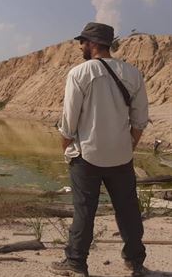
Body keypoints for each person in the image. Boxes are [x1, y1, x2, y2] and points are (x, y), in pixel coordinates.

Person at [51, 22, 149, 277]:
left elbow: (68, 124)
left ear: (93, 43)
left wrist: (66, 149)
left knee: (84, 210)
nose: (81, 46)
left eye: (82, 41)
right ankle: (135, 262)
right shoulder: (133, 73)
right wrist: (127, 146)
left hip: (87, 156)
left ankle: (76, 262)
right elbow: (139, 121)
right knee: (128, 209)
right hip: (121, 156)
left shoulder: (79, 73)